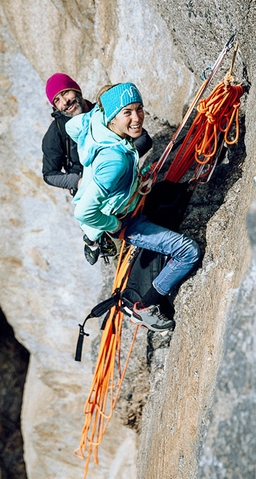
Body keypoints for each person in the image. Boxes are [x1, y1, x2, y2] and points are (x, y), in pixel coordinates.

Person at [66, 82, 200, 332]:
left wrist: (136, 182)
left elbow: (73, 125)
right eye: (127, 112)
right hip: (126, 222)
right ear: (112, 117)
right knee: (188, 252)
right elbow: (83, 212)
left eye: (139, 108)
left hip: (130, 204)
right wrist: (113, 224)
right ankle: (145, 307)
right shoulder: (114, 160)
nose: (137, 118)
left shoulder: (97, 124)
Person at [42, 73, 153, 196]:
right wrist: (80, 182)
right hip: (93, 193)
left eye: (65, 92)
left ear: (76, 89)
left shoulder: (103, 110)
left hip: (124, 181)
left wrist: (121, 160)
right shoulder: (56, 132)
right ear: (56, 107)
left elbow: (144, 138)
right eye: (57, 100)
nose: (65, 102)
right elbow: (49, 174)